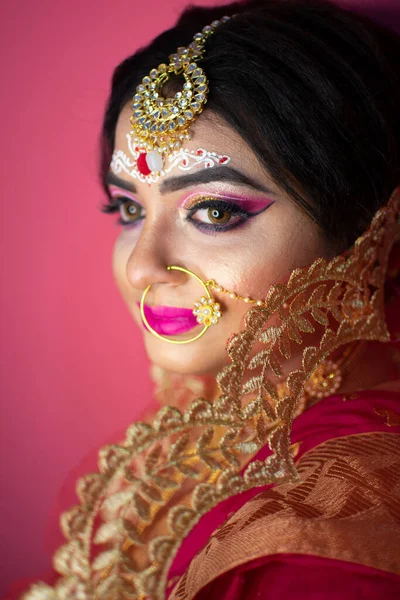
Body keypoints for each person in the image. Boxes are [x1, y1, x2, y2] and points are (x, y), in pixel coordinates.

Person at [16, 0, 400, 598]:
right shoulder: (223, 445)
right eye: (129, 208)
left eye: (214, 211)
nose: (143, 266)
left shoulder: (332, 532)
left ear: (368, 227)